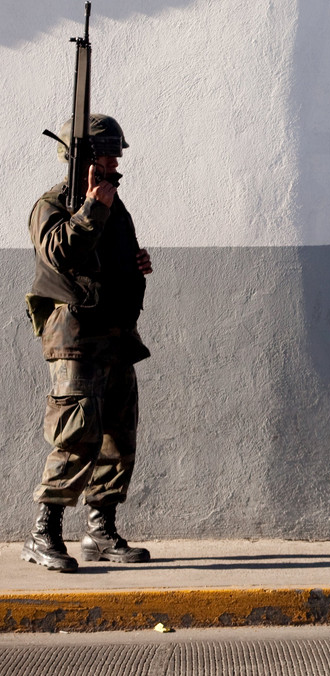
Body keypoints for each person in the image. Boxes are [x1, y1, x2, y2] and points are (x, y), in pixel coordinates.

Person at [21, 114, 154, 572]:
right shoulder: (52, 204)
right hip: (75, 339)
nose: (116, 161)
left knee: (119, 435)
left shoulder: (115, 205)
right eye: (108, 153)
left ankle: (100, 530)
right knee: (76, 435)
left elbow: (113, 261)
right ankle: (44, 532)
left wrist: (136, 264)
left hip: (116, 337)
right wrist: (92, 208)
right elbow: (58, 254)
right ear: (83, 158)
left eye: (116, 153)